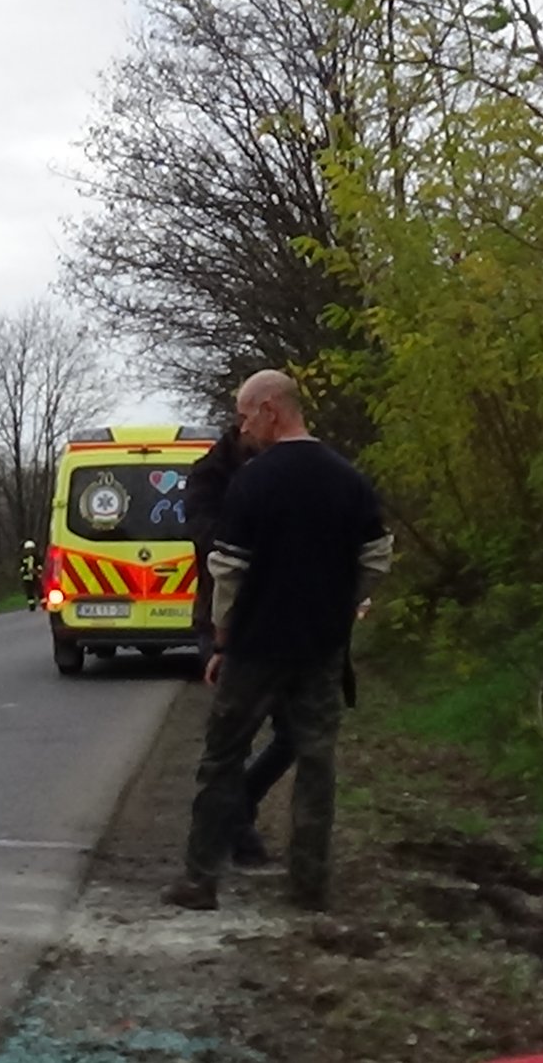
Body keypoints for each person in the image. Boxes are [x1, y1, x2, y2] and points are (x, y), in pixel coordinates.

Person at [163, 371, 392, 912]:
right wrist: (343, 601)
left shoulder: (253, 482)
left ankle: (200, 880)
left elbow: (228, 569)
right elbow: (378, 556)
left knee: (221, 758)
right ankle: (309, 885)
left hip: (253, 647)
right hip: (321, 647)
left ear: (270, 409)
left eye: (245, 415)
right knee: (317, 760)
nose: (243, 427)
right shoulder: (348, 479)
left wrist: (221, 640)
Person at [184, 422, 282, 866]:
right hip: (219, 620)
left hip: (281, 621)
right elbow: (211, 541)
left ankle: (240, 803)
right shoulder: (207, 476)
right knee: (232, 736)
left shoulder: (282, 465)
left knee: (297, 732)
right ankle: (234, 836)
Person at [19, 539, 44, 611]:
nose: (29, 551)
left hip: (36, 576)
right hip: (27, 578)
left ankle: (43, 603)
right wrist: (25, 570)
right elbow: (21, 567)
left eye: (31, 549)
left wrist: (37, 571)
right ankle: (32, 606)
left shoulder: (37, 557)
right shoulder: (23, 558)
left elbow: (40, 565)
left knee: (40, 590)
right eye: (28, 549)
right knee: (29, 592)